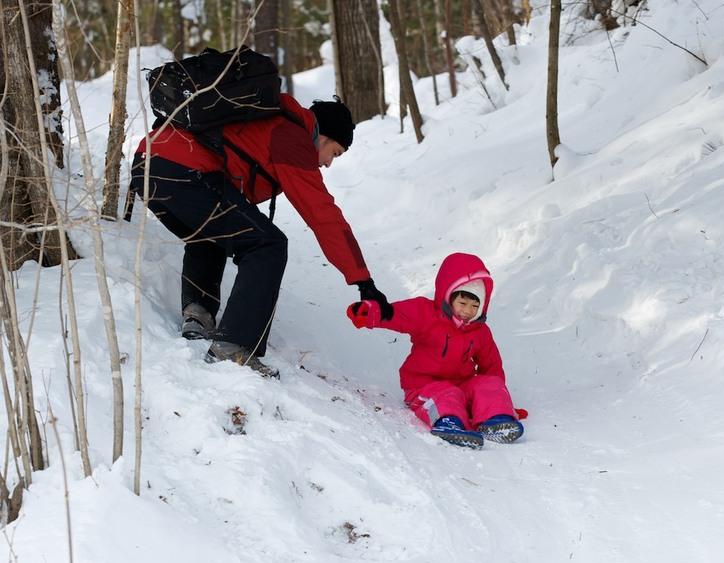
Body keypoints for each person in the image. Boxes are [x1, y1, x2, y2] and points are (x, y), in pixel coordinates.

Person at [129, 95, 391, 377]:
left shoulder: (270, 121)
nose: (328, 164)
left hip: (149, 164)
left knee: (216, 229)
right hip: (186, 169)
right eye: (335, 153)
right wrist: (362, 280)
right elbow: (323, 215)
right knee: (268, 244)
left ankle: (199, 316)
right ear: (322, 135)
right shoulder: (290, 136)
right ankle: (233, 346)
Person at [347, 251, 524, 449]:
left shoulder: (480, 331)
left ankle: (497, 420)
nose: (468, 311)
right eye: (463, 303)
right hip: (424, 385)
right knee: (445, 395)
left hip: (461, 384)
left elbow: (491, 365)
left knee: (488, 383)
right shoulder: (426, 313)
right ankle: (449, 422)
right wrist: (370, 313)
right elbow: (397, 315)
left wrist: (500, 400)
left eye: (476, 305)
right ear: (448, 296)